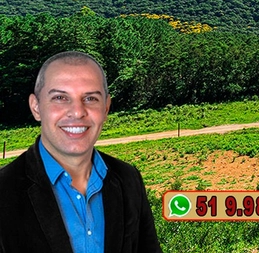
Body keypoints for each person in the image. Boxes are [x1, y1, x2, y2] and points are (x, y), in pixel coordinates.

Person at [0, 51, 162, 253]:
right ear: (36, 107)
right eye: (60, 97)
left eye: (90, 98)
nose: (77, 112)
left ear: (106, 108)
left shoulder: (129, 179)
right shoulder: (4, 190)